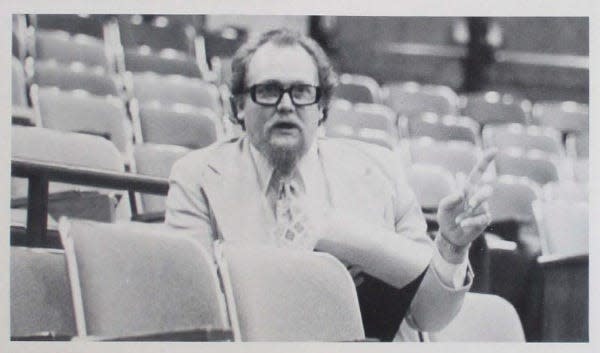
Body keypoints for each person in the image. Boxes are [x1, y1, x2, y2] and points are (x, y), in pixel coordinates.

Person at [165, 28, 495, 341]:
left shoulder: (380, 171)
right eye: (267, 90)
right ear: (239, 105)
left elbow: (427, 317)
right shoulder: (197, 177)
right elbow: (193, 308)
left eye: (301, 92)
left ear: (321, 106)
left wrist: (451, 247)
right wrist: (314, 292)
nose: (285, 105)